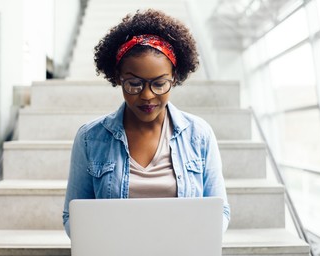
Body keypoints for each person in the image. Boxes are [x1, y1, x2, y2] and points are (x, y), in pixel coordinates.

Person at [63, 9, 230, 237]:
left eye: (159, 84)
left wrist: (196, 241)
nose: (147, 96)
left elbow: (221, 211)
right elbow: (73, 216)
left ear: (174, 78)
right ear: (118, 78)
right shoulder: (90, 138)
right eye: (134, 83)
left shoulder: (199, 134)